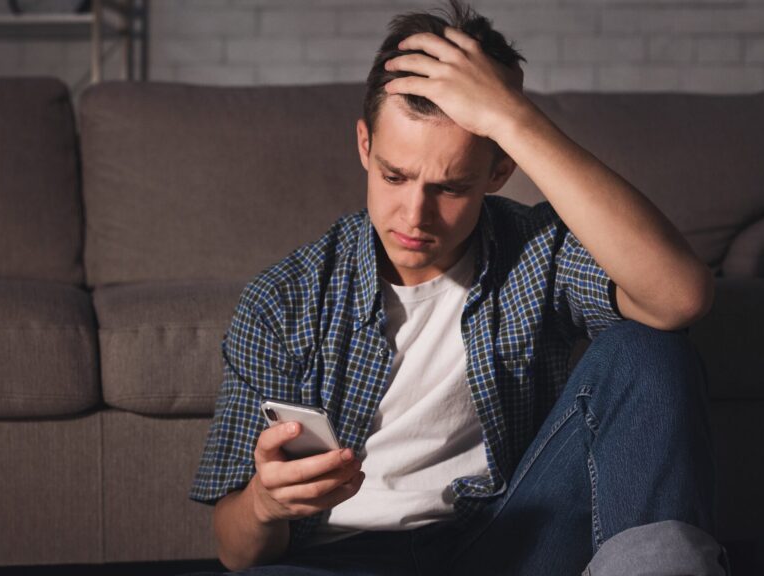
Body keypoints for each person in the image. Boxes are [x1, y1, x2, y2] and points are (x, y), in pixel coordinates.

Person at [189, 2, 726, 574]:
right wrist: (267, 504)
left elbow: (680, 297)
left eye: (450, 188)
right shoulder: (284, 300)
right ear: (365, 145)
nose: (414, 215)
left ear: (498, 173)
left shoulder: (534, 251)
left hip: (503, 546)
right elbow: (234, 550)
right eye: (395, 176)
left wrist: (513, 120)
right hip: (339, 562)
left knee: (648, 346)